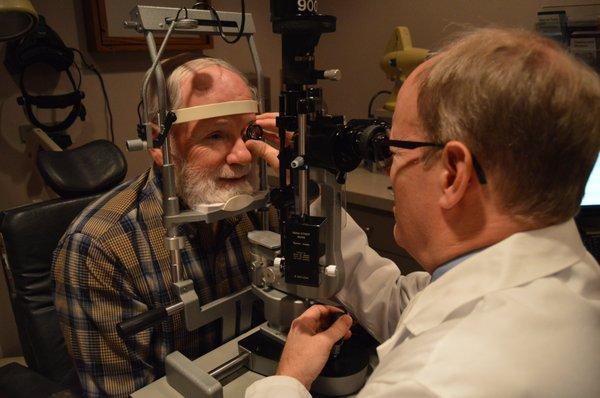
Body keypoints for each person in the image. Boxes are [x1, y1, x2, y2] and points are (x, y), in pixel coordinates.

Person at [245, 27, 600, 397]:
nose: (388, 171)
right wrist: (315, 187)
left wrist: (288, 381)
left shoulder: (428, 382)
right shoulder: (568, 280)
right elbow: (403, 303)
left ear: (453, 174)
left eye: (394, 151)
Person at [52, 55, 277, 397]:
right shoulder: (97, 249)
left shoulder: (261, 208)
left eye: (249, 132)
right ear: (160, 144)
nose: (244, 156)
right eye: (216, 135)